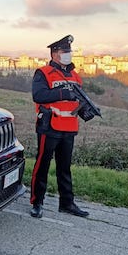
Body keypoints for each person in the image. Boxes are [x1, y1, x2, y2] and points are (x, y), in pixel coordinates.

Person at [29, 35, 96, 219]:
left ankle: (67, 203)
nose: (68, 54)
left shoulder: (75, 76)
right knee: (42, 165)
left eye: (69, 51)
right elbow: (39, 95)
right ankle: (37, 202)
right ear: (54, 54)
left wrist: (86, 110)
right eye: (64, 51)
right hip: (49, 125)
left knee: (64, 167)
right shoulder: (43, 73)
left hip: (69, 127)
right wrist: (64, 92)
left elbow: (78, 100)